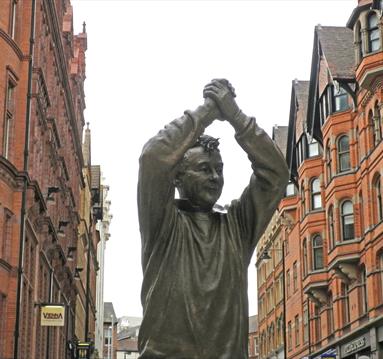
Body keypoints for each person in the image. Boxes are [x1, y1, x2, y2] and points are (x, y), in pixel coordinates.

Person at [137, 79, 289, 359]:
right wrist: (208, 111)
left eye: (218, 169)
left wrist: (236, 116)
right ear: (178, 176)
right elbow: (153, 158)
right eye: (204, 169)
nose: (215, 177)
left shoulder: (237, 225)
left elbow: (276, 174)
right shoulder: (161, 223)